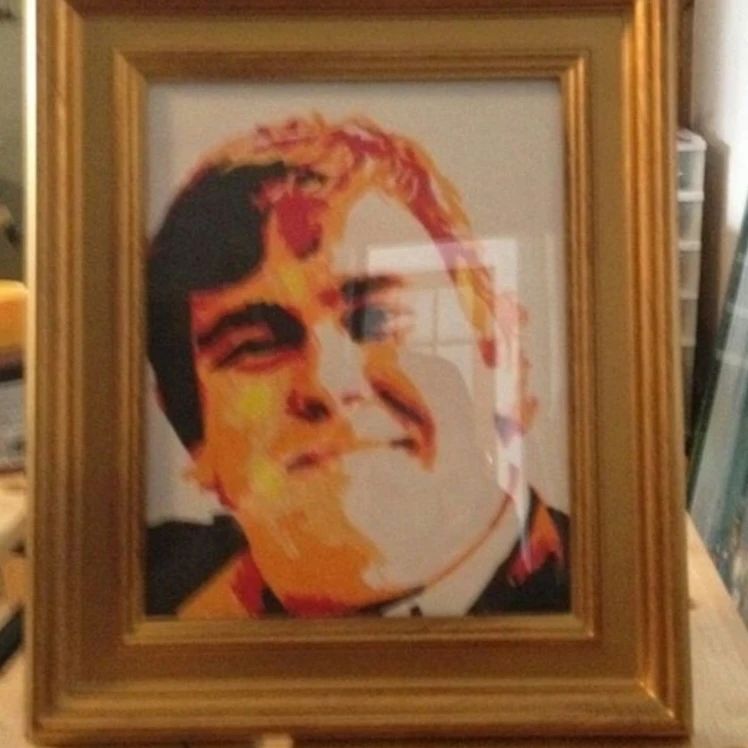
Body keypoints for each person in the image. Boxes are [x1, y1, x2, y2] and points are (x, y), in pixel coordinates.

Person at [146, 114, 569, 618]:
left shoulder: (613, 597)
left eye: (379, 318)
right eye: (255, 347)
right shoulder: (138, 591)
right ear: (194, 435)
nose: (327, 384)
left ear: (500, 351)